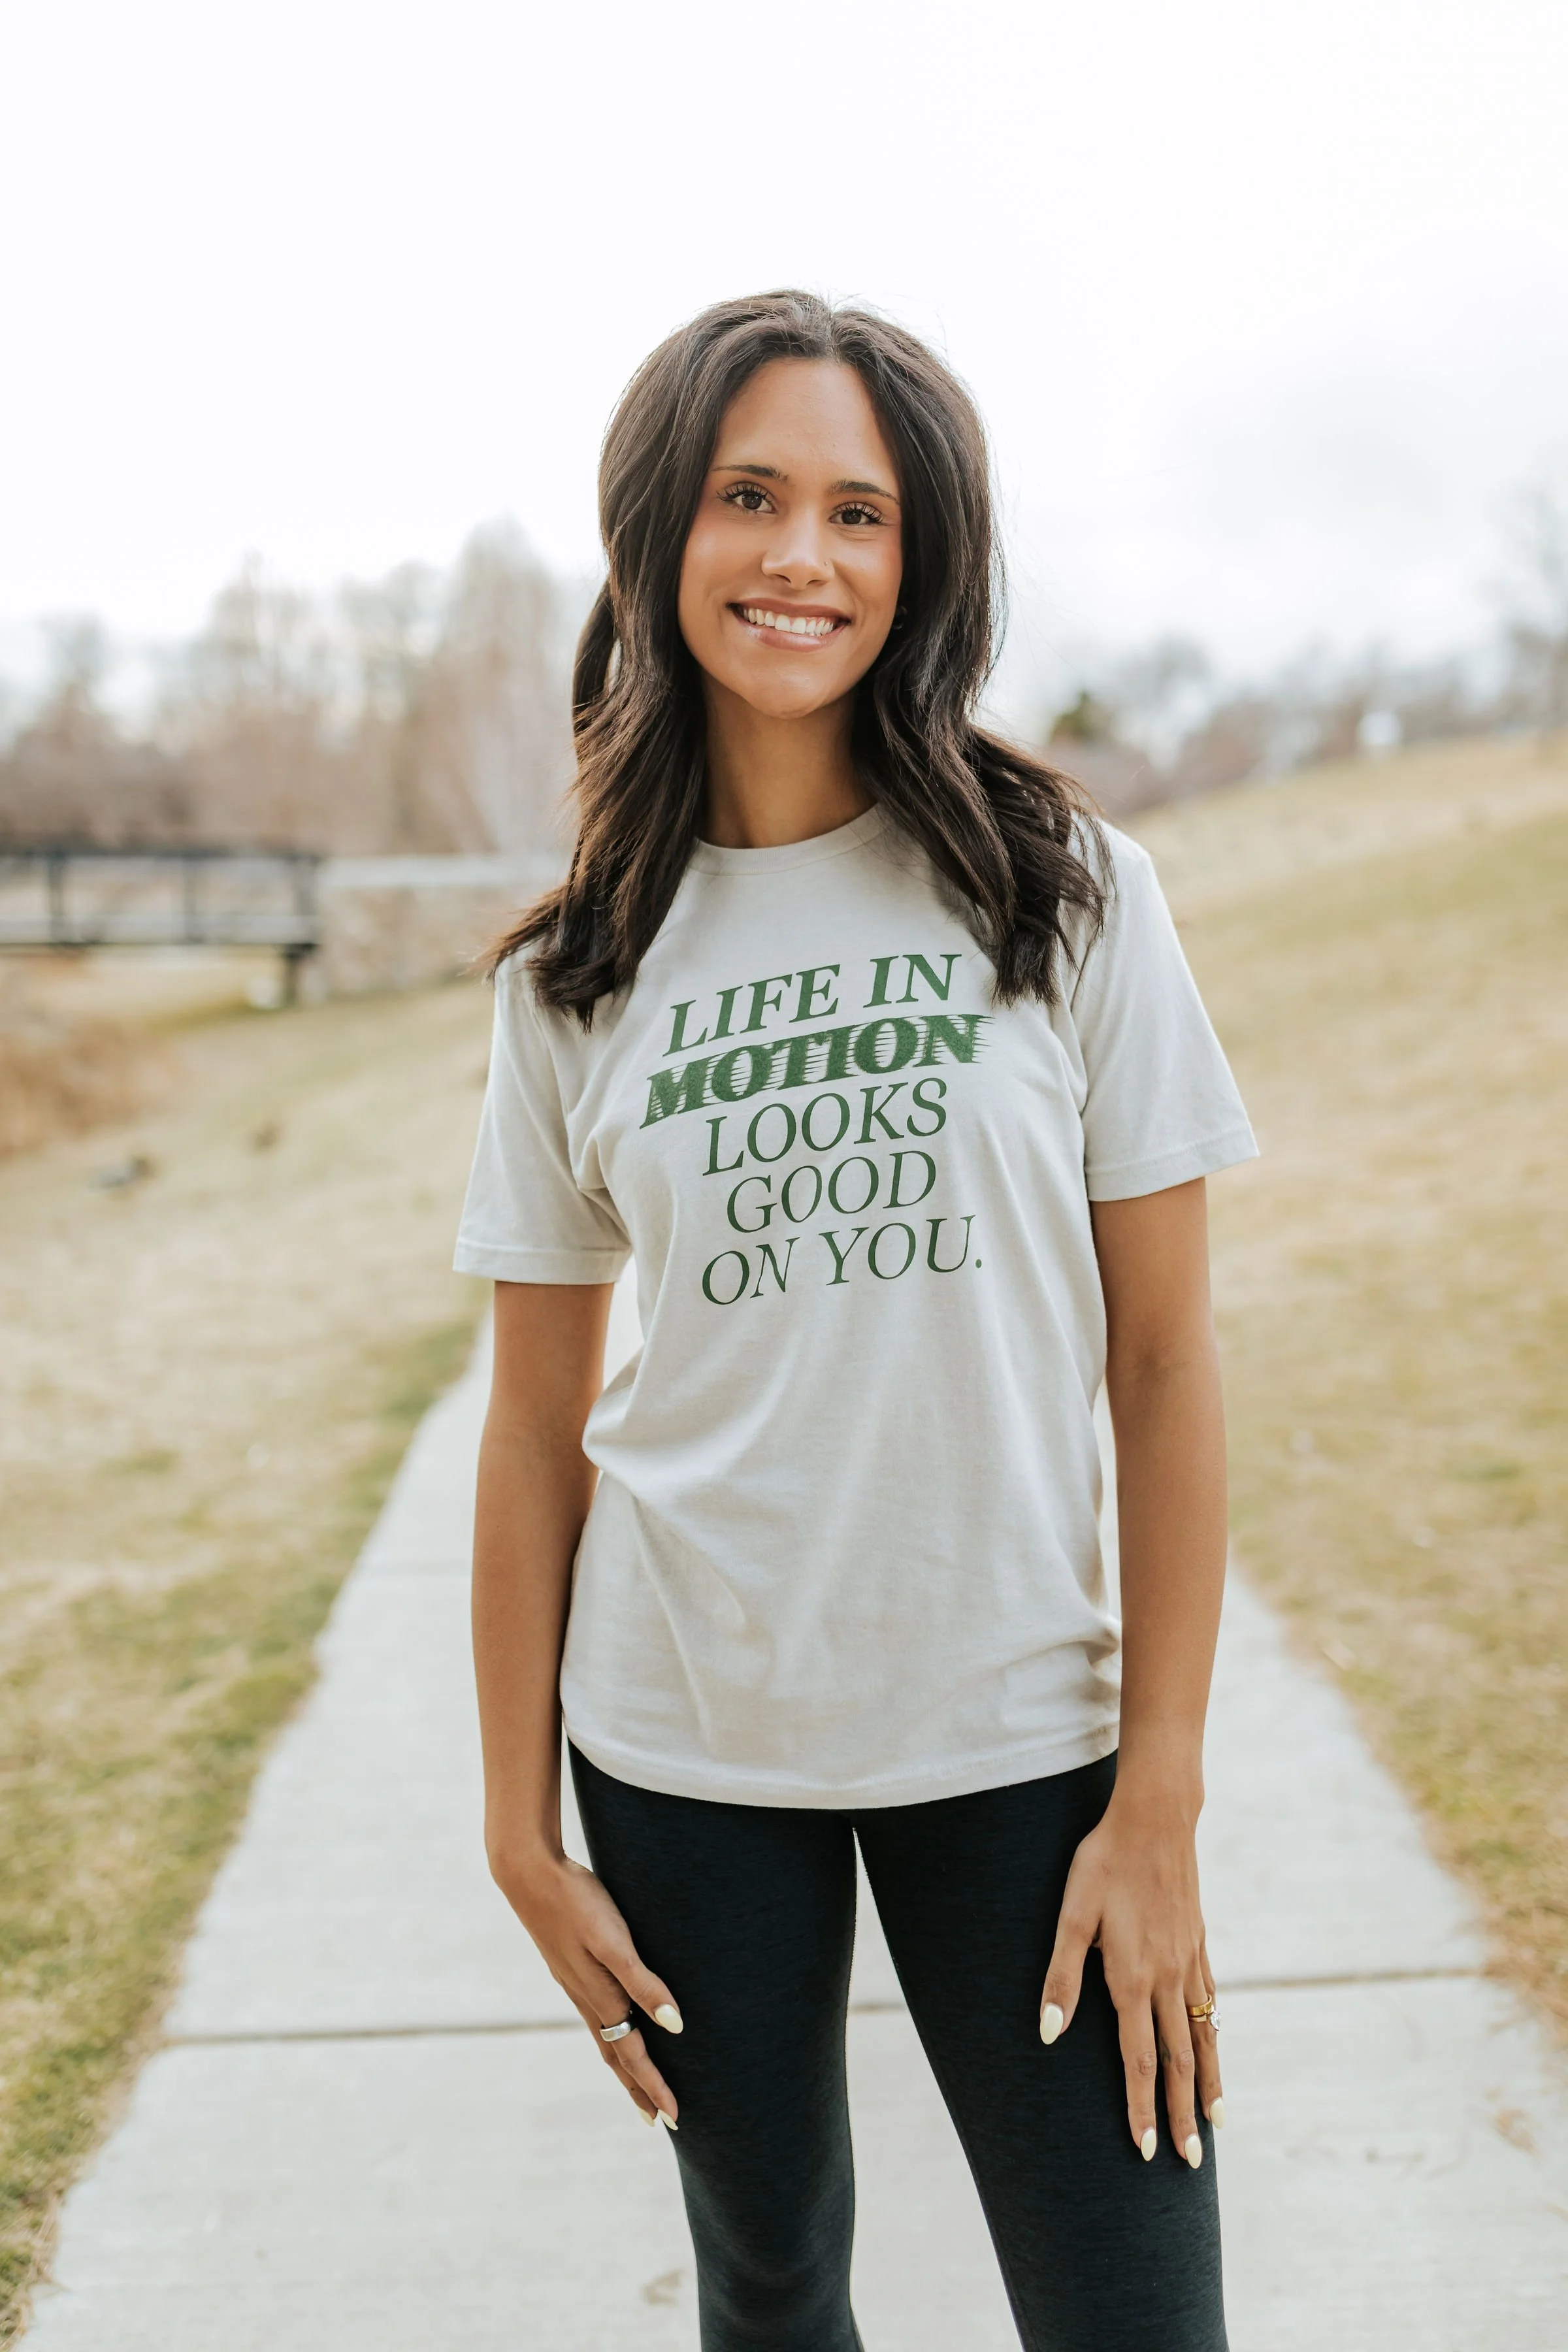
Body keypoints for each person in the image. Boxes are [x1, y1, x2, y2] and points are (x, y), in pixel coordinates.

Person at [454, 289, 1255, 2352]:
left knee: (1137, 2311)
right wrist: (514, 1828)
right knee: (776, 2285)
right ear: (660, 535)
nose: (802, 557)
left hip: (1019, 1740)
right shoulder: (577, 977)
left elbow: (1163, 1365)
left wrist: (1155, 1790)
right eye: (749, 497)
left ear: (924, 563)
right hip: (684, 1749)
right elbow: (534, 1428)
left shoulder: (1059, 887)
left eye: (858, 513)